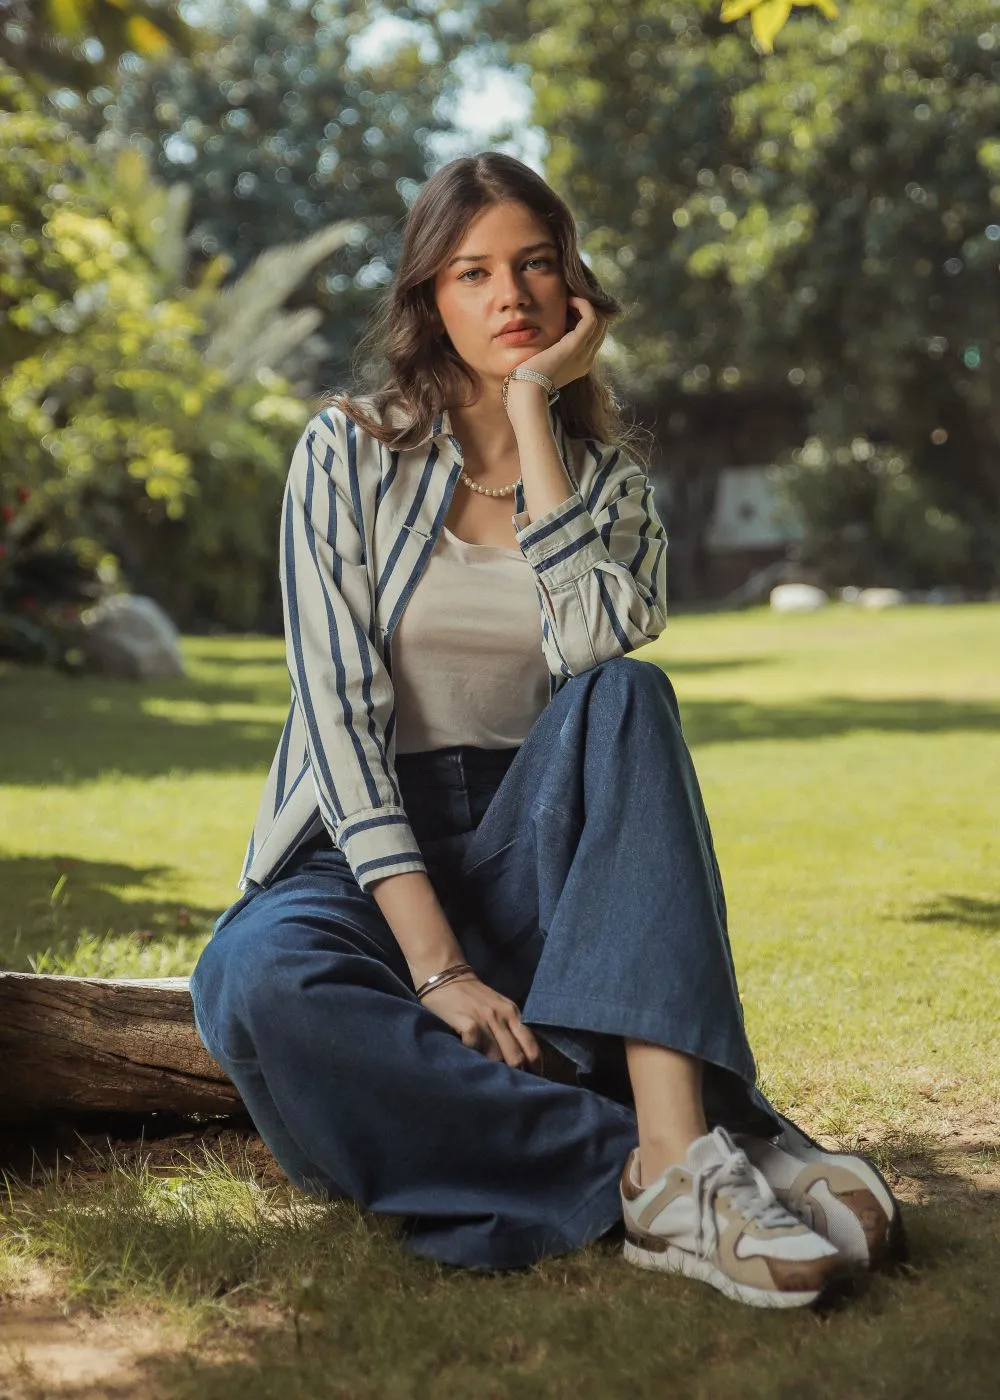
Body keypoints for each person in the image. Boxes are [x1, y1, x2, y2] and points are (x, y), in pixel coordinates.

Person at [190, 152, 903, 1309]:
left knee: (629, 697)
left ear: (573, 286)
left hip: (544, 842)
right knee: (257, 980)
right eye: (472, 272)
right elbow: (336, 712)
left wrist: (534, 422)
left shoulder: (609, 486)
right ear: (431, 298)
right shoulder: (347, 451)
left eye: (532, 264)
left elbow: (594, 650)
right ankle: (675, 1155)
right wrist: (438, 967)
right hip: (361, 851)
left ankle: (678, 1158)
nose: (507, 295)